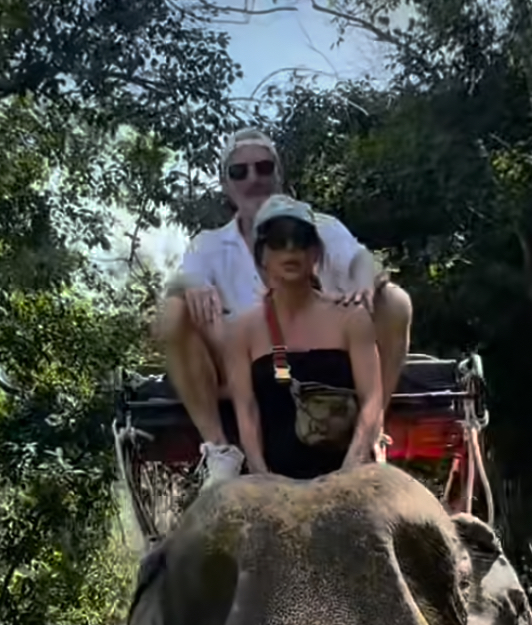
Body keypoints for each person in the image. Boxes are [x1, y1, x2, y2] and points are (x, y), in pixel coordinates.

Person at [155, 130, 412, 485]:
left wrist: (364, 286)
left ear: (315, 252)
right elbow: (182, 281)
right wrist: (189, 285)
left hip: (331, 361)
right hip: (248, 363)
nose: (253, 178)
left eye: (263, 168)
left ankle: (371, 436)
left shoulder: (325, 229)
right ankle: (220, 450)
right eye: (239, 172)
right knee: (173, 313)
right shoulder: (209, 246)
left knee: (395, 301)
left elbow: (361, 260)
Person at [220, 197, 383, 481]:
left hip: (349, 477)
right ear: (262, 255)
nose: (291, 249)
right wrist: (261, 475)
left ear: (316, 252)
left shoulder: (351, 318)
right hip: (274, 482)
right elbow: (246, 409)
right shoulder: (241, 330)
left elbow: (372, 401)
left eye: (301, 239)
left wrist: (348, 473)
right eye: (278, 240)